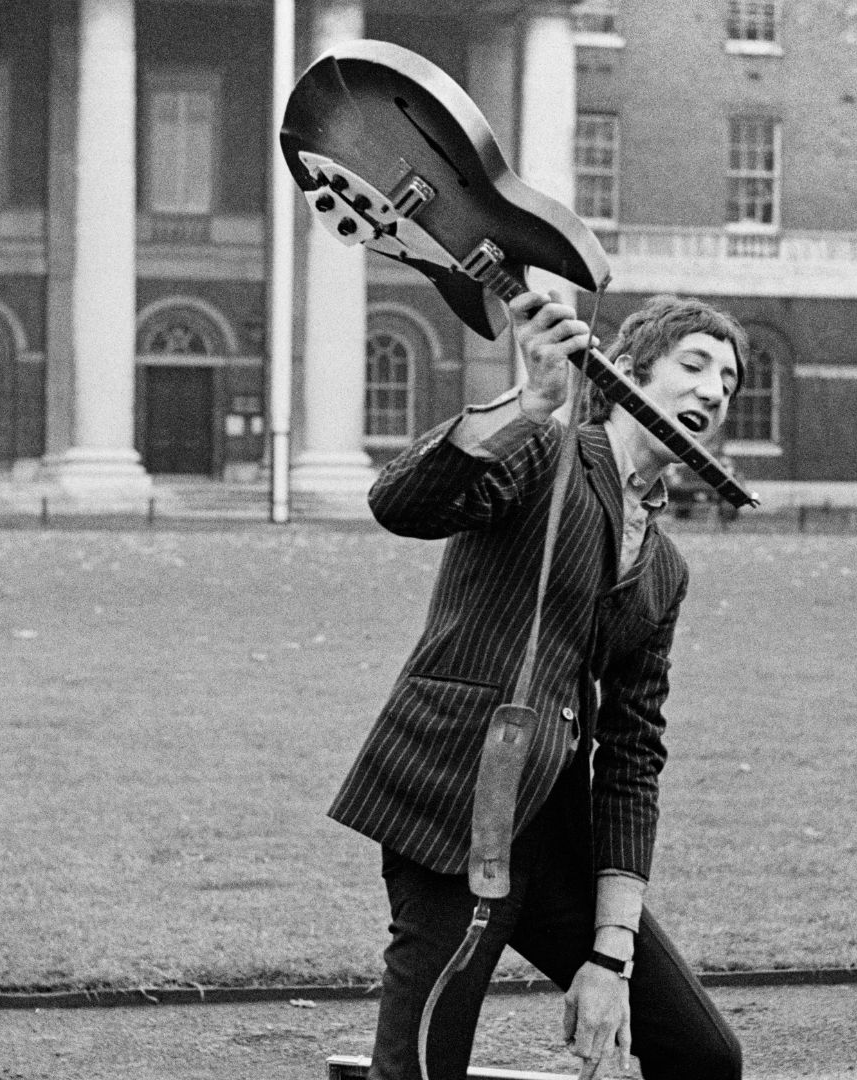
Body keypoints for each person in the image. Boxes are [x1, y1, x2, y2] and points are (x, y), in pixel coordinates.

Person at [329, 291, 750, 1080]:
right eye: (694, 366)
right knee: (417, 1070)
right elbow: (400, 502)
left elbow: (632, 755)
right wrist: (530, 402)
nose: (713, 391)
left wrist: (611, 955)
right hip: (456, 807)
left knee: (702, 1055)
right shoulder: (544, 452)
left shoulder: (665, 568)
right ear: (626, 373)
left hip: (553, 837)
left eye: (726, 383)